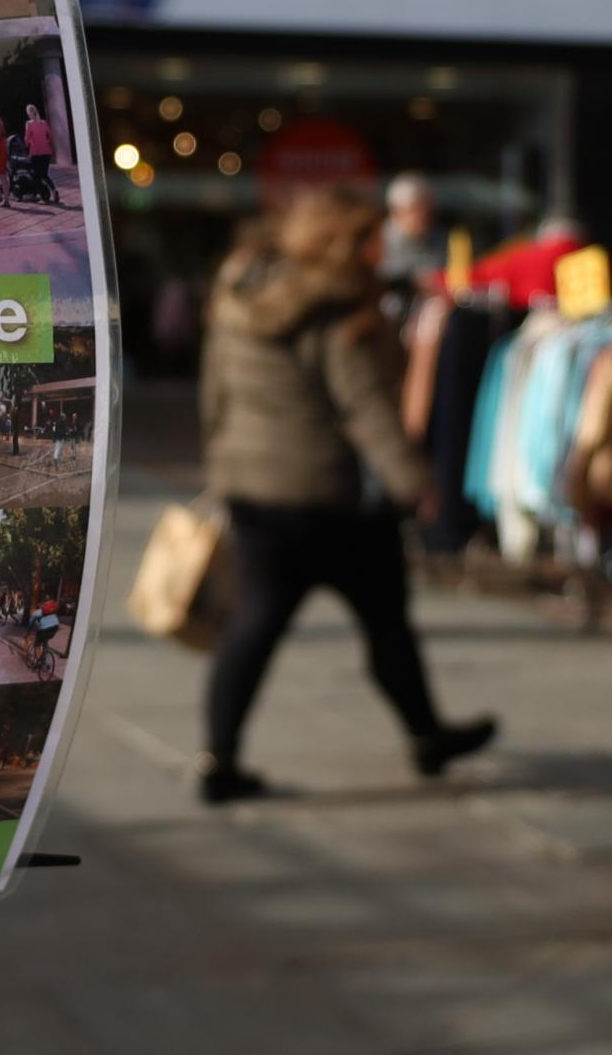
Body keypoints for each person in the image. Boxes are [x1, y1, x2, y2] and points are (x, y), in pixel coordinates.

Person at [197, 186, 496, 803]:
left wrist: (223, 464)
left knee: (255, 622)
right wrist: (417, 483)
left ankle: (218, 758)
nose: (380, 249)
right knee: (387, 621)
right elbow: (364, 407)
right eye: (369, 239)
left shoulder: (238, 292)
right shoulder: (337, 309)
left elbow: (215, 393)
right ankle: (426, 733)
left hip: (255, 490)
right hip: (329, 497)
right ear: (339, 243)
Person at [23, 105, 59, 205]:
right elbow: (51, 136)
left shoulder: (29, 124)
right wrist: (45, 142)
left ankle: (44, 197)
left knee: (36, 176)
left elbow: (26, 139)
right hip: (46, 152)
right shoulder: (43, 122)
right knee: (44, 174)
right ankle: (53, 189)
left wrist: (28, 143)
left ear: (29, 113)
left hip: (36, 152)